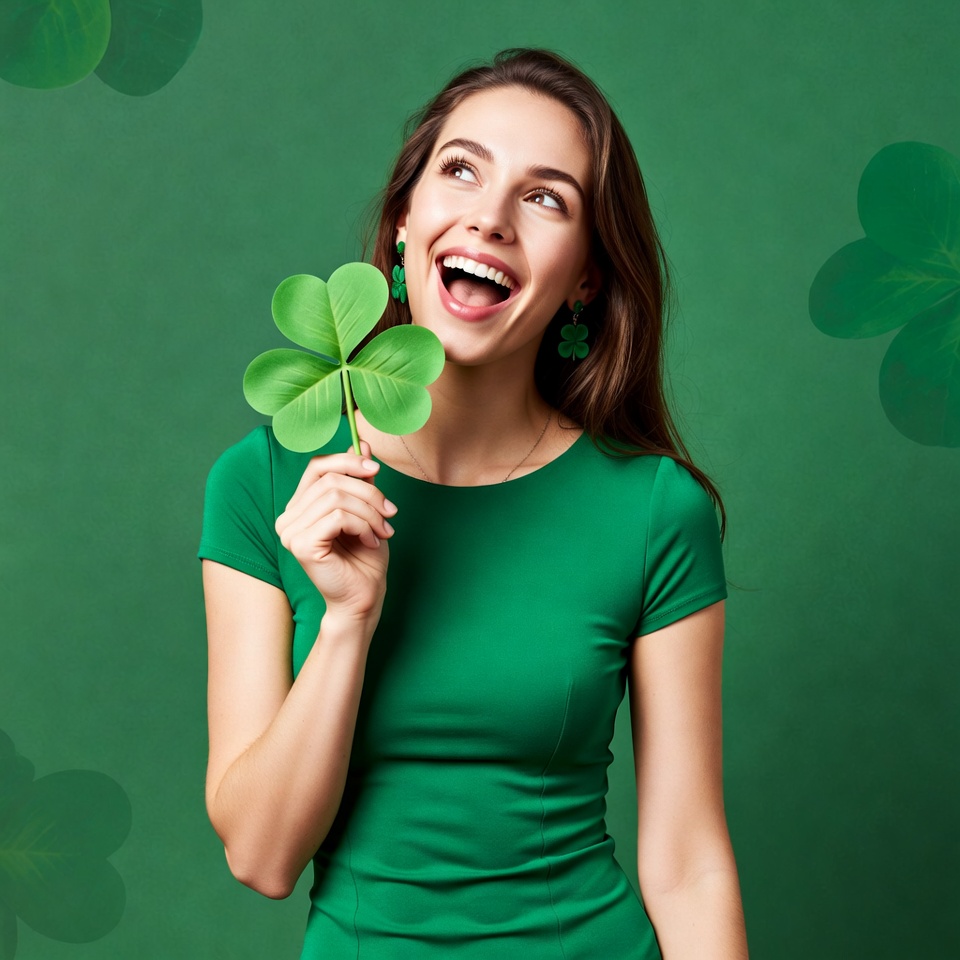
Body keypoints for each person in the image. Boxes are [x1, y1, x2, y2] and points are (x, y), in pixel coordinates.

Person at [198, 48, 748, 959]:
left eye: (545, 198)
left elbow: (688, 862)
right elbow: (262, 857)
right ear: (405, 224)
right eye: (461, 170)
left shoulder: (655, 508)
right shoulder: (264, 485)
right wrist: (346, 618)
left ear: (587, 278)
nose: (489, 218)